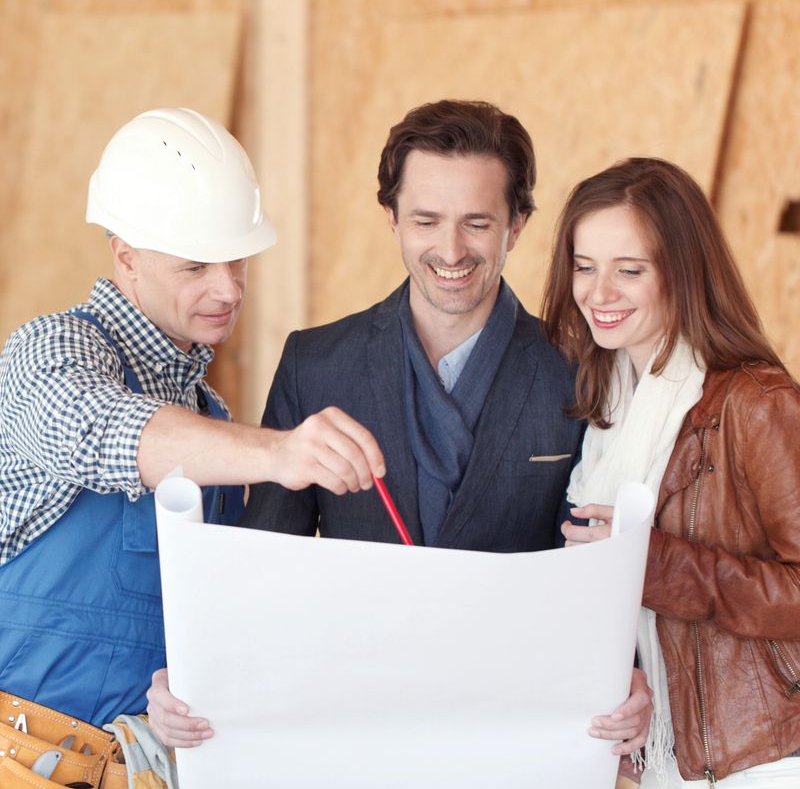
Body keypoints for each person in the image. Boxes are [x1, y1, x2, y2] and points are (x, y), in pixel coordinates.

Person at [148, 100, 653, 769]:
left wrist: (630, 674)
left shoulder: (581, 370)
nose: (451, 250)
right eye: (425, 220)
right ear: (391, 218)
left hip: (516, 741)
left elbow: (601, 573)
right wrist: (191, 679)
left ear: (518, 225)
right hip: (351, 735)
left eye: (478, 223)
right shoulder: (316, 364)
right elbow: (261, 569)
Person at [0, 107, 385, 731]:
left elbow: (196, 631)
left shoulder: (211, 419)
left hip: (137, 766)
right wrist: (278, 453)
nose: (229, 289)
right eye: (196, 267)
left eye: (238, 261)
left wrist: (174, 698)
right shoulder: (50, 349)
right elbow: (96, 429)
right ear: (126, 257)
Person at [543, 157, 800, 786]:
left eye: (629, 270)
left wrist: (651, 563)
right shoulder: (602, 408)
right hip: (667, 756)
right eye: (584, 266)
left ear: (682, 273)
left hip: (763, 755)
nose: (598, 293)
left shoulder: (756, 401)